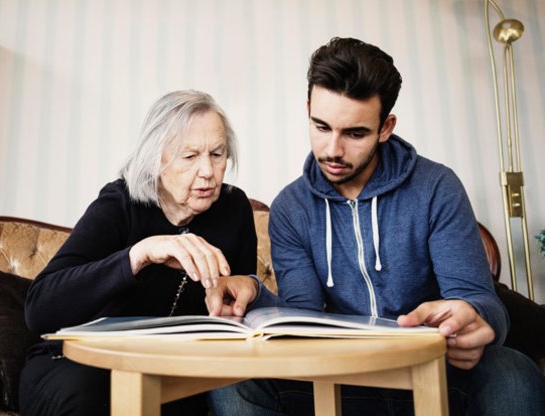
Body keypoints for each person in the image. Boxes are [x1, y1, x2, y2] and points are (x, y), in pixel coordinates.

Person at [205, 38, 545, 415]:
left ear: (385, 127)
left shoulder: (436, 187)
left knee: (514, 374)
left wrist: (478, 321)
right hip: (343, 378)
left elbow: (478, 299)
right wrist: (254, 291)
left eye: (354, 134)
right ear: (307, 110)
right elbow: (300, 316)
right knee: (234, 381)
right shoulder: (292, 208)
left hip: (432, 371)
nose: (332, 149)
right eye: (321, 126)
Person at [19, 90, 258, 416]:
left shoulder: (234, 209)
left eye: (217, 154)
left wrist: (238, 303)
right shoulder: (120, 203)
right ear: (155, 158)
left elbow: (240, 312)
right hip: (79, 364)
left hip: (171, 370)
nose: (207, 171)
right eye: (189, 156)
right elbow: (39, 307)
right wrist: (139, 255)